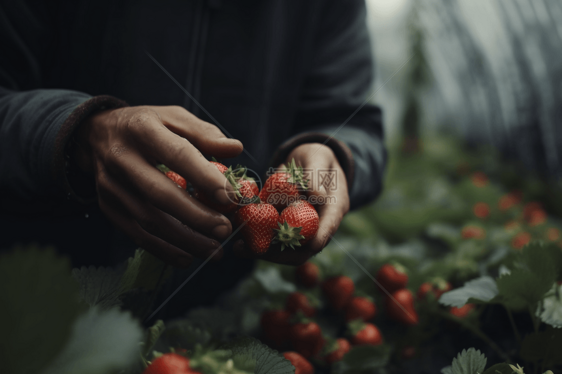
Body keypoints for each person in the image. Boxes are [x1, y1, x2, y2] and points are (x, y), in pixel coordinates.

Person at [0, 0, 387, 313]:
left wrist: (333, 151)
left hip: (226, 314)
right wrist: (79, 133)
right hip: (35, 298)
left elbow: (354, 122)